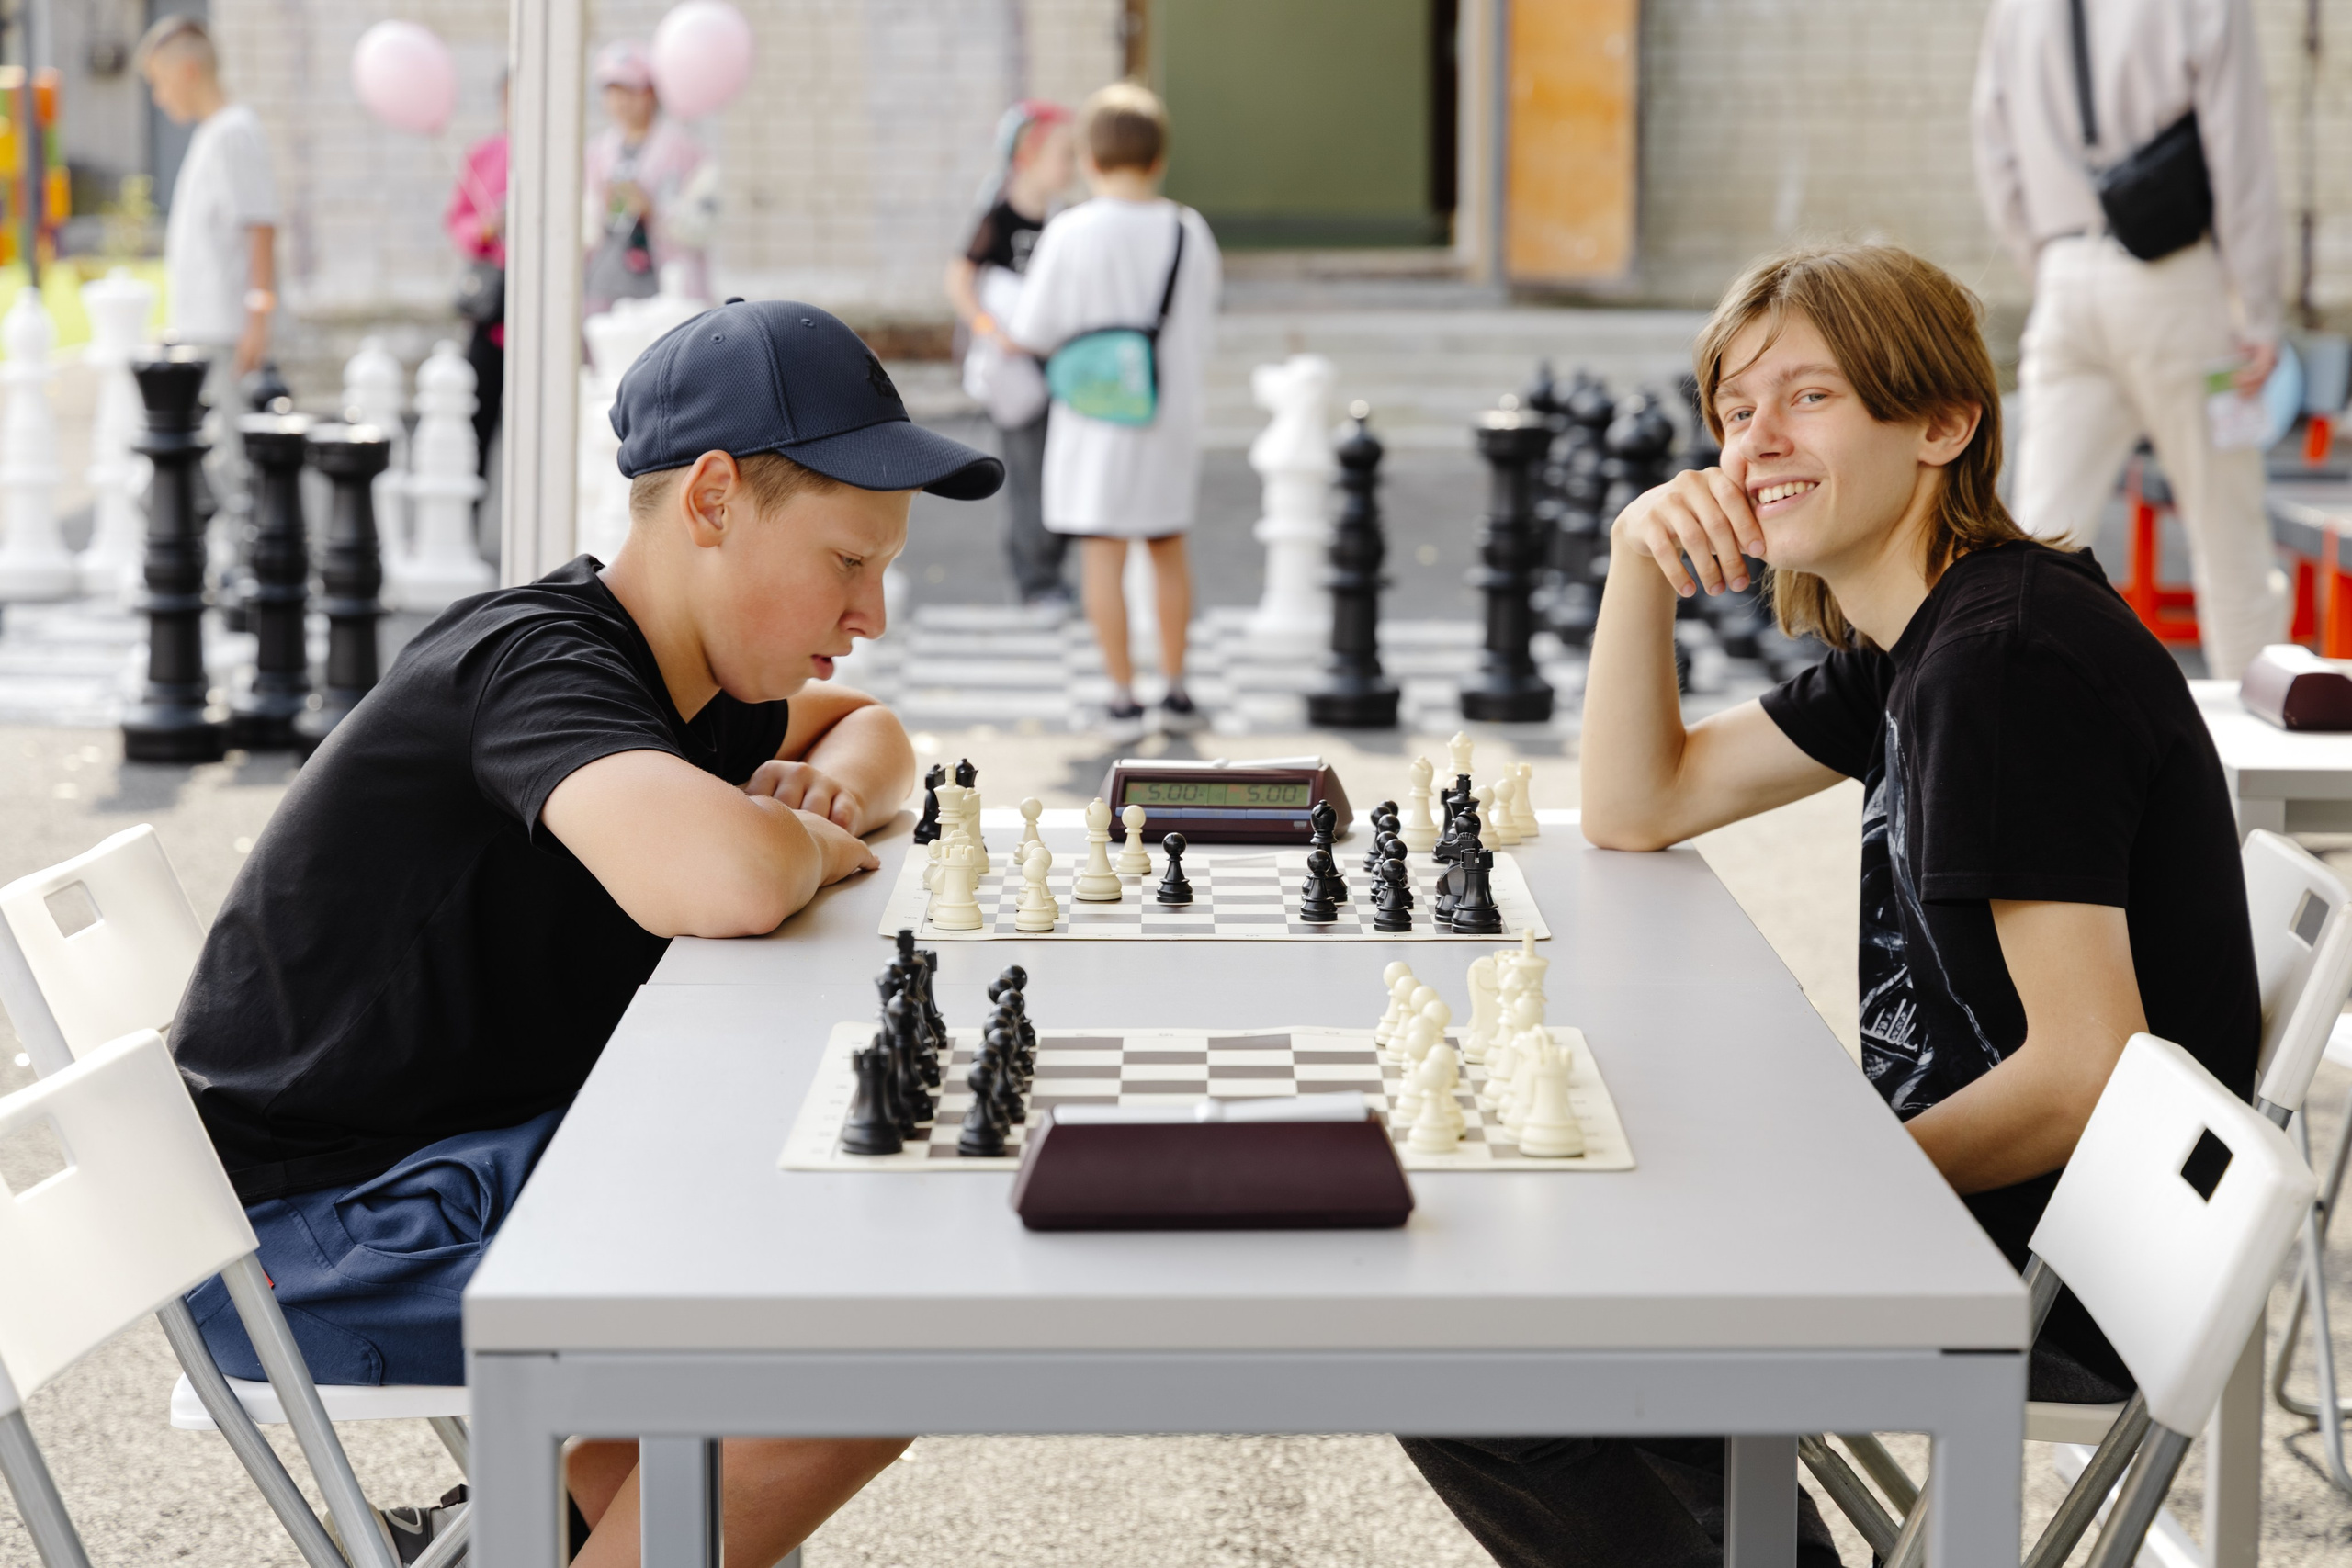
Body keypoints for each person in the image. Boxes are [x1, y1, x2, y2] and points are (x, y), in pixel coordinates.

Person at [1404, 243, 2259, 1568]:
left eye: (1807, 398)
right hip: (1995, 1207)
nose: (1755, 445)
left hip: (2054, 1258)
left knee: (1474, 1340)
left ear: (1943, 422)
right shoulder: (1916, 644)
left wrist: (1830, 1181)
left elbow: (2092, 1064)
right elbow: (1643, 801)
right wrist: (1639, 558)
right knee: (1564, 1222)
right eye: (1735, 411)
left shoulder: (2003, 665)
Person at [170, 300, 1004, 1564]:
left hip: (439, 1173)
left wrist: (833, 788)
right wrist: (801, 841)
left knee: (784, 1240)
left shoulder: (701, 684)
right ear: (713, 500)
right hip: (312, 1238)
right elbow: (722, 878)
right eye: (848, 562)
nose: (871, 608)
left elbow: (874, 727)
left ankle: (506, 1540)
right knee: (854, 1344)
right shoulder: (538, 661)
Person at [1972, 0, 2286, 680]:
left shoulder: (2015, 10)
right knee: (2229, 536)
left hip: (2063, 281)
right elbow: (2240, 152)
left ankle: (2018, 744)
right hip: (2177, 285)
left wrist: (2050, 263)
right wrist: (2257, 308)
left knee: (2039, 545)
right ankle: (2252, 770)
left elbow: (1994, 153)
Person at [1010, 83, 1221, 739]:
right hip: (1169, 414)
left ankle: (1123, 696)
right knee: (1167, 549)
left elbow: (1033, 327)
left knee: (1102, 555)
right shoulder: (1190, 230)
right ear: (1159, 159)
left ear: (1090, 160)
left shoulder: (1070, 231)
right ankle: (1178, 691)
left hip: (1095, 419)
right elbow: (1204, 319)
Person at [137, 13, 279, 567]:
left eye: (159, 79)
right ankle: (223, 570)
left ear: (190, 70)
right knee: (209, 459)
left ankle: (247, 579)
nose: (157, 94)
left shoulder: (234, 131)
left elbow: (260, 224)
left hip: (225, 330)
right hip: (203, 329)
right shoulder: (213, 134)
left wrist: (257, 317)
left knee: (231, 462)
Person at [948, 100, 1078, 607]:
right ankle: (1035, 579)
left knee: (1061, 467)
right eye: (1065, 153)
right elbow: (959, 277)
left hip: (1059, 362)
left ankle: (1052, 568)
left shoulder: (1066, 219)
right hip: (1015, 369)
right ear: (1029, 156)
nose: (1072, 165)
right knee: (1027, 470)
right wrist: (988, 327)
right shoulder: (1000, 218)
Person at [582, 39, 719, 317]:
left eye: (630, 90)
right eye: (612, 91)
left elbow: (706, 223)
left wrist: (653, 210)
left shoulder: (686, 151)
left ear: (650, 93)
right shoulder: (596, 153)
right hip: (606, 291)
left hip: (667, 293)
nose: (620, 101)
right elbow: (584, 229)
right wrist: (602, 210)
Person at [446, 70, 510, 479]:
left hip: (544, 311)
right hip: (492, 311)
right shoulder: (483, 155)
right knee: (476, 420)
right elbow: (458, 222)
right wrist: (486, 228)